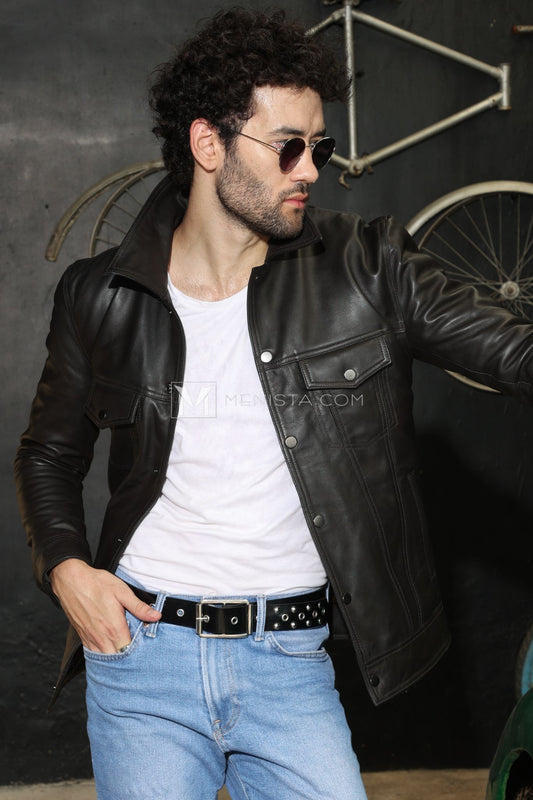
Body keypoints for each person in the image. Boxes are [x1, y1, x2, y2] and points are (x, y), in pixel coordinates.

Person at [14, 6, 533, 800]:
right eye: (287, 145)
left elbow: (514, 351)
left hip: (288, 662)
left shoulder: (368, 266)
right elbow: (48, 453)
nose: (310, 170)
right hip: (142, 657)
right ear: (208, 144)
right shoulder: (100, 294)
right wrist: (67, 570)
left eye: (318, 147)